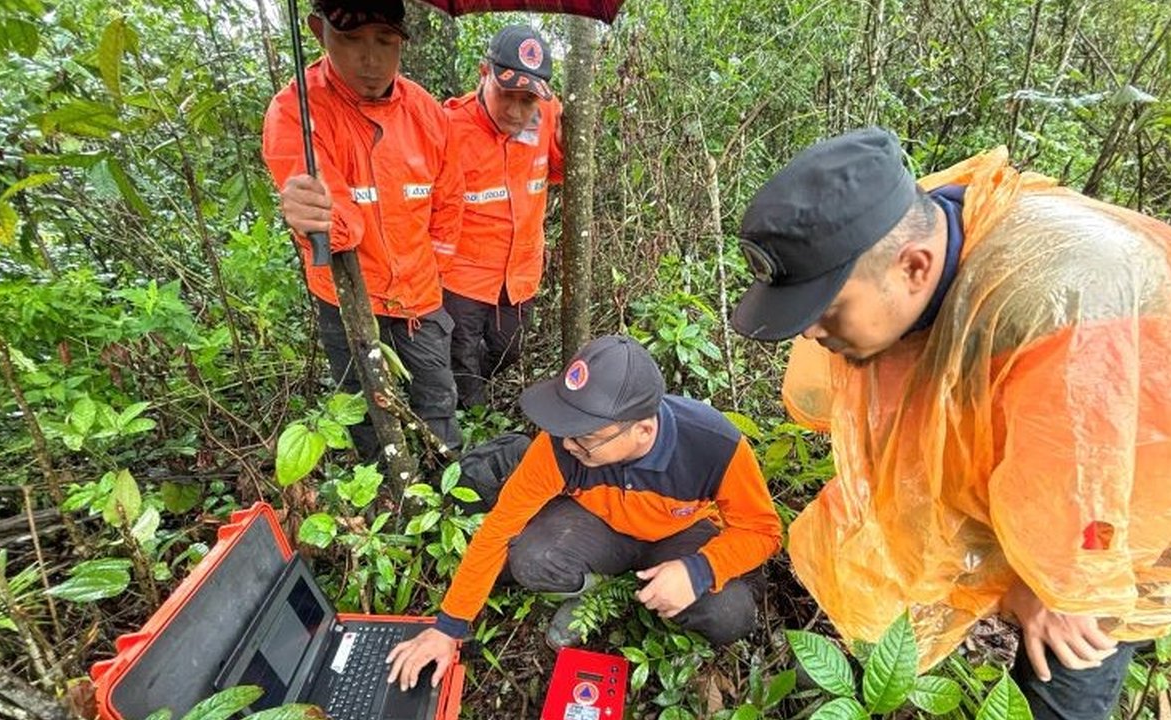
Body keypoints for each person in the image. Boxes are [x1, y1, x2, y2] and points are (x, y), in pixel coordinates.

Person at [732, 127, 1171, 719]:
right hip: (1043, 452)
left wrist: (1052, 586)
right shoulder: (915, 233)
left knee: (1066, 650)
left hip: (1129, 494)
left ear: (914, 267)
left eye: (828, 311)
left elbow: (1100, 496)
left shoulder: (1063, 309)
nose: (813, 334)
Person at [384, 335, 782, 691]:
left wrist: (698, 571)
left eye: (585, 436)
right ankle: (601, 592)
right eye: (566, 429)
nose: (569, 443)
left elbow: (763, 530)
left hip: (682, 533)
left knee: (729, 615)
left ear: (642, 430)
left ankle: (658, 587)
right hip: (600, 525)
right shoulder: (560, 445)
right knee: (530, 559)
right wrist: (448, 627)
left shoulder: (714, 445)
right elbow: (499, 527)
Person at [263, 0, 464, 453]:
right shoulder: (295, 112)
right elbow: (341, 230)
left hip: (421, 300)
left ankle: (447, 499)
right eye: (351, 40)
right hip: (348, 298)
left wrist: (435, 271)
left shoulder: (427, 113)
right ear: (319, 31)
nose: (370, 60)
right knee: (367, 414)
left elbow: (449, 203)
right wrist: (312, 213)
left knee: (437, 402)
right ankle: (388, 499)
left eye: (385, 42)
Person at [441, 25, 565, 409]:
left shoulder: (548, 113)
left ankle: (464, 392)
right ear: (484, 74)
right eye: (505, 95)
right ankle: (470, 429)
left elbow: (559, 170)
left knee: (509, 349)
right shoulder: (448, 127)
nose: (515, 111)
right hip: (463, 278)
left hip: (520, 274)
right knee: (462, 365)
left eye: (527, 100)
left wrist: (566, 139)